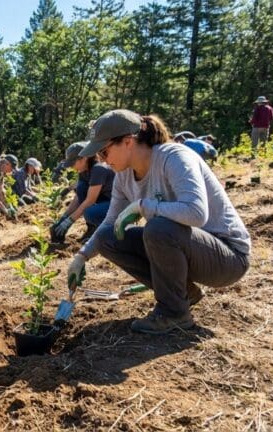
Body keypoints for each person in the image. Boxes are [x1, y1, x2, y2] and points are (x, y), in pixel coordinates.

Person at [67, 109, 250, 334]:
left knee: (158, 228)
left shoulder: (173, 157)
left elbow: (196, 212)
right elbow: (109, 222)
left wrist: (143, 206)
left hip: (227, 258)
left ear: (127, 141)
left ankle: (174, 313)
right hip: (190, 249)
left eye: (104, 152)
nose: (102, 161)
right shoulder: (123, 176)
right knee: (108, 238)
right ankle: (183, 293)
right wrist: (81, 256)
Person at [50, 142, 114, 243]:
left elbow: (90, 201)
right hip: (103, 202)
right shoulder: (83, 171)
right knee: (81, 188)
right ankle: (92, 228)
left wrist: (69, 221)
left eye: (73, 163)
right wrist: (63, 218)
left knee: (90, 212)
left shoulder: (99, 169)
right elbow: (79, 198)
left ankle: (105, 231)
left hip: (117, 204)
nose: (71, 167)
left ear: (84, 158)